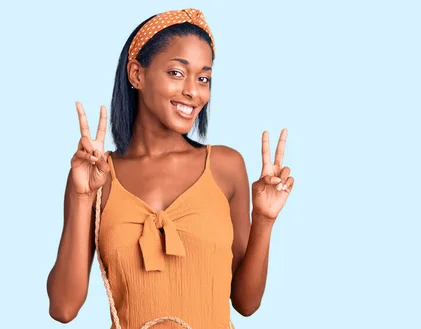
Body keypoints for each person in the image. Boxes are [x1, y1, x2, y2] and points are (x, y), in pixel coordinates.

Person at [46, 8, 294, 329]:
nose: (193, 91)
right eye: (177, 73)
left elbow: (246, 304)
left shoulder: (225, 166)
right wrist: (82, 195)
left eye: (203, 78)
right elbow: (63, 309)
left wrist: (264, 218)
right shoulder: (96, 176)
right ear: (136, 74)